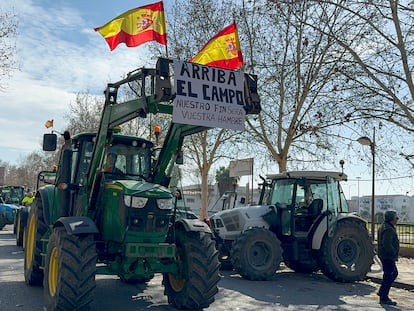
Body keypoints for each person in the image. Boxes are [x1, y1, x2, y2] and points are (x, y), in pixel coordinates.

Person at [377, 210, 400, 306]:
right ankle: (384, 297)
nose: (397, 220)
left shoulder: (385, 226)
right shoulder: (388, 229)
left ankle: (382, 291)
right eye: (396, 218)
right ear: (392, 219)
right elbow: (387, 244)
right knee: (389, 275)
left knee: (392, 273)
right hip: (387, 256)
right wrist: (393, 252)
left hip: (384, 255)